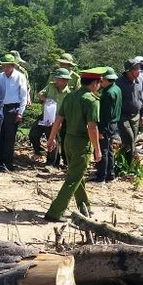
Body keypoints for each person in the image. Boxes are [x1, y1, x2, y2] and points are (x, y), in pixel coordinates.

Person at [44, 68, 105, 222]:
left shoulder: (70, 96)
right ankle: (55, 212)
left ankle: (84, 207)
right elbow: (92, 127)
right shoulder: (92, 101)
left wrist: (51, 138)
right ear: (95, 83)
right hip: (81, 143)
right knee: (73, 178)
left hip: (68, 141)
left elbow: (58, 119)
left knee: (77, 175)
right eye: (99, 83)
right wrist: (97, 149)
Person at [29, 68, 72, 165]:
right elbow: (40, 94)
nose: (56, 81)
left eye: (59, 79)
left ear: (65, 81)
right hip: (45, 115)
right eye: (56, 79)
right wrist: (46, 99)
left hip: (58, 118)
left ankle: (52, 162)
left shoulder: (69, 94)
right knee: (33, 134)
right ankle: (40, 151)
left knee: (53, 138)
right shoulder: (51, 86)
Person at [0, 53, 29, 172]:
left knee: (10, 137)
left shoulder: (20, 76)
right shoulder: (1, 76)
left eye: (8, 66)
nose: (5, 68)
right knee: (0, 135)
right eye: (4, 66)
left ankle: (8, 163)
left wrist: (20, 112)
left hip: (13, 108)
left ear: (13, 66)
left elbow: (24, 96)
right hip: (1, 107)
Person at [93, 67, 122, 182]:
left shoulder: (109, 93)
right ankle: (110, 174)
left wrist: (101, 130)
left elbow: (106, 114)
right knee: (109, 150)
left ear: (105, 80)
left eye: (101, 80)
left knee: (103, 150)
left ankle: (101, 177)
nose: (100, 83)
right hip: (114, 124)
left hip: (107, 125)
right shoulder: (117, 89)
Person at [115, 59, 143, 167]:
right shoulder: (119, 83)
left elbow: (141, 99)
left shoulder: (140, 81)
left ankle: (127, 163)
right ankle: (127, 165)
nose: (139, 71)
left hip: (136, 116)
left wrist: (142, 115)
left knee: (132, 141)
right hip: (123, 116)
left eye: (139, 68)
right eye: (136, 68)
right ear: (129, 71)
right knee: (129, 138)